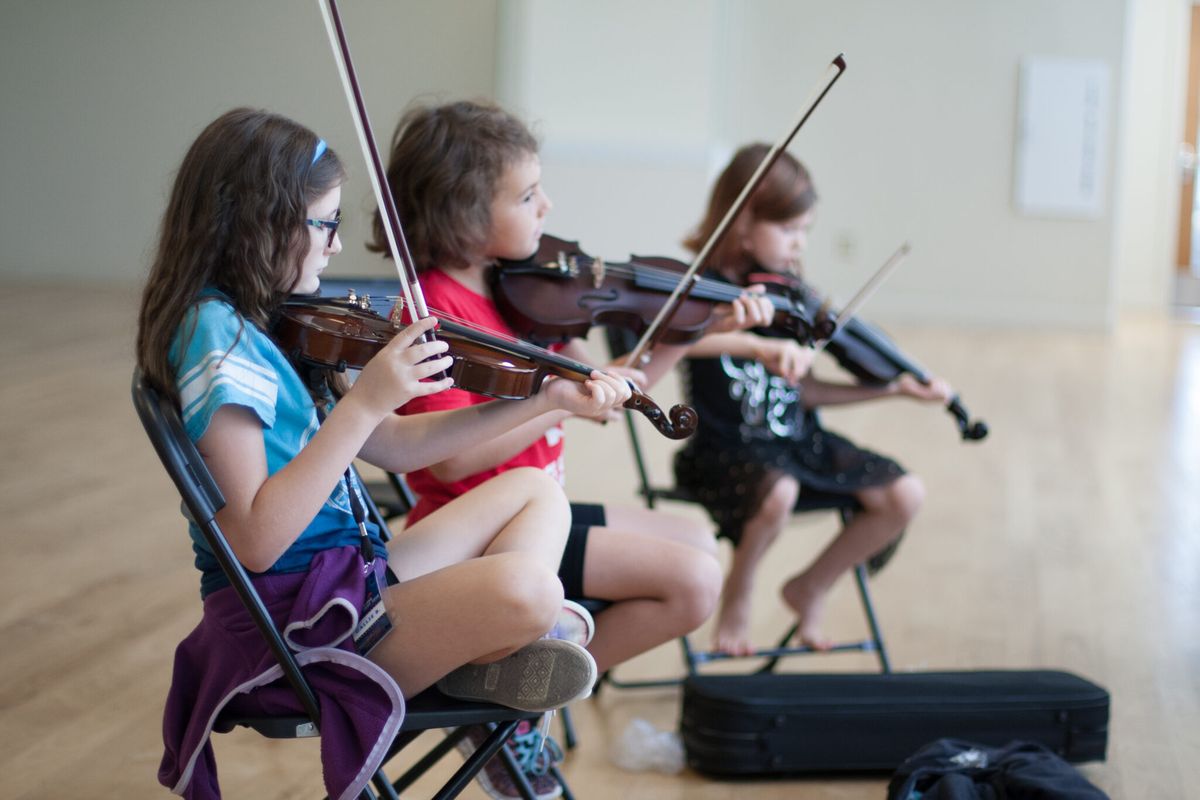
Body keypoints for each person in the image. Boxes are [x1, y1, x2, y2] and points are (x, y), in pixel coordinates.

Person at [138, 108, 632, 799]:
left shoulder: (265, 321)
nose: (337, 247)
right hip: (299, 625)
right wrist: (364, 401)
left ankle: (486, 651)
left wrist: (542, 401)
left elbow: (398, 448)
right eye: (325, 223)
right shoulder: (214, 338)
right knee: (531, 588)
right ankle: (498, 643)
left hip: (349, 582)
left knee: (534, 491)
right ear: (262, 221)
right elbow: (253, 541)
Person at [370, 100, 773, 799]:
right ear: (464, 212)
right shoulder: (433, 313)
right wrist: (551, 399)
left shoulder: (528, 294)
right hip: (484, 532)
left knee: (698, 544)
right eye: (526, 196)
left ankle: (514, 694)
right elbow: (452, 462)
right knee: (694, 583)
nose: (546, 206)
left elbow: (621, 391)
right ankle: (511, 715)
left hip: (539, 511)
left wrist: (695, 324)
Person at [675, 143, 953, 657]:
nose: (798, 245)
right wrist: (755, 343)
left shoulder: (790, 294)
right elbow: (675, 341)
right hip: (725, 451)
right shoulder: (702, 292)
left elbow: (806, 393)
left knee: (903, 495)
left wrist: (892, 388)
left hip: (797, 443)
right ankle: (739, 592)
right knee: (777, 492)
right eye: (788, 230)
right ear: (742, 221)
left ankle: (812, 586)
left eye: (805, 231)